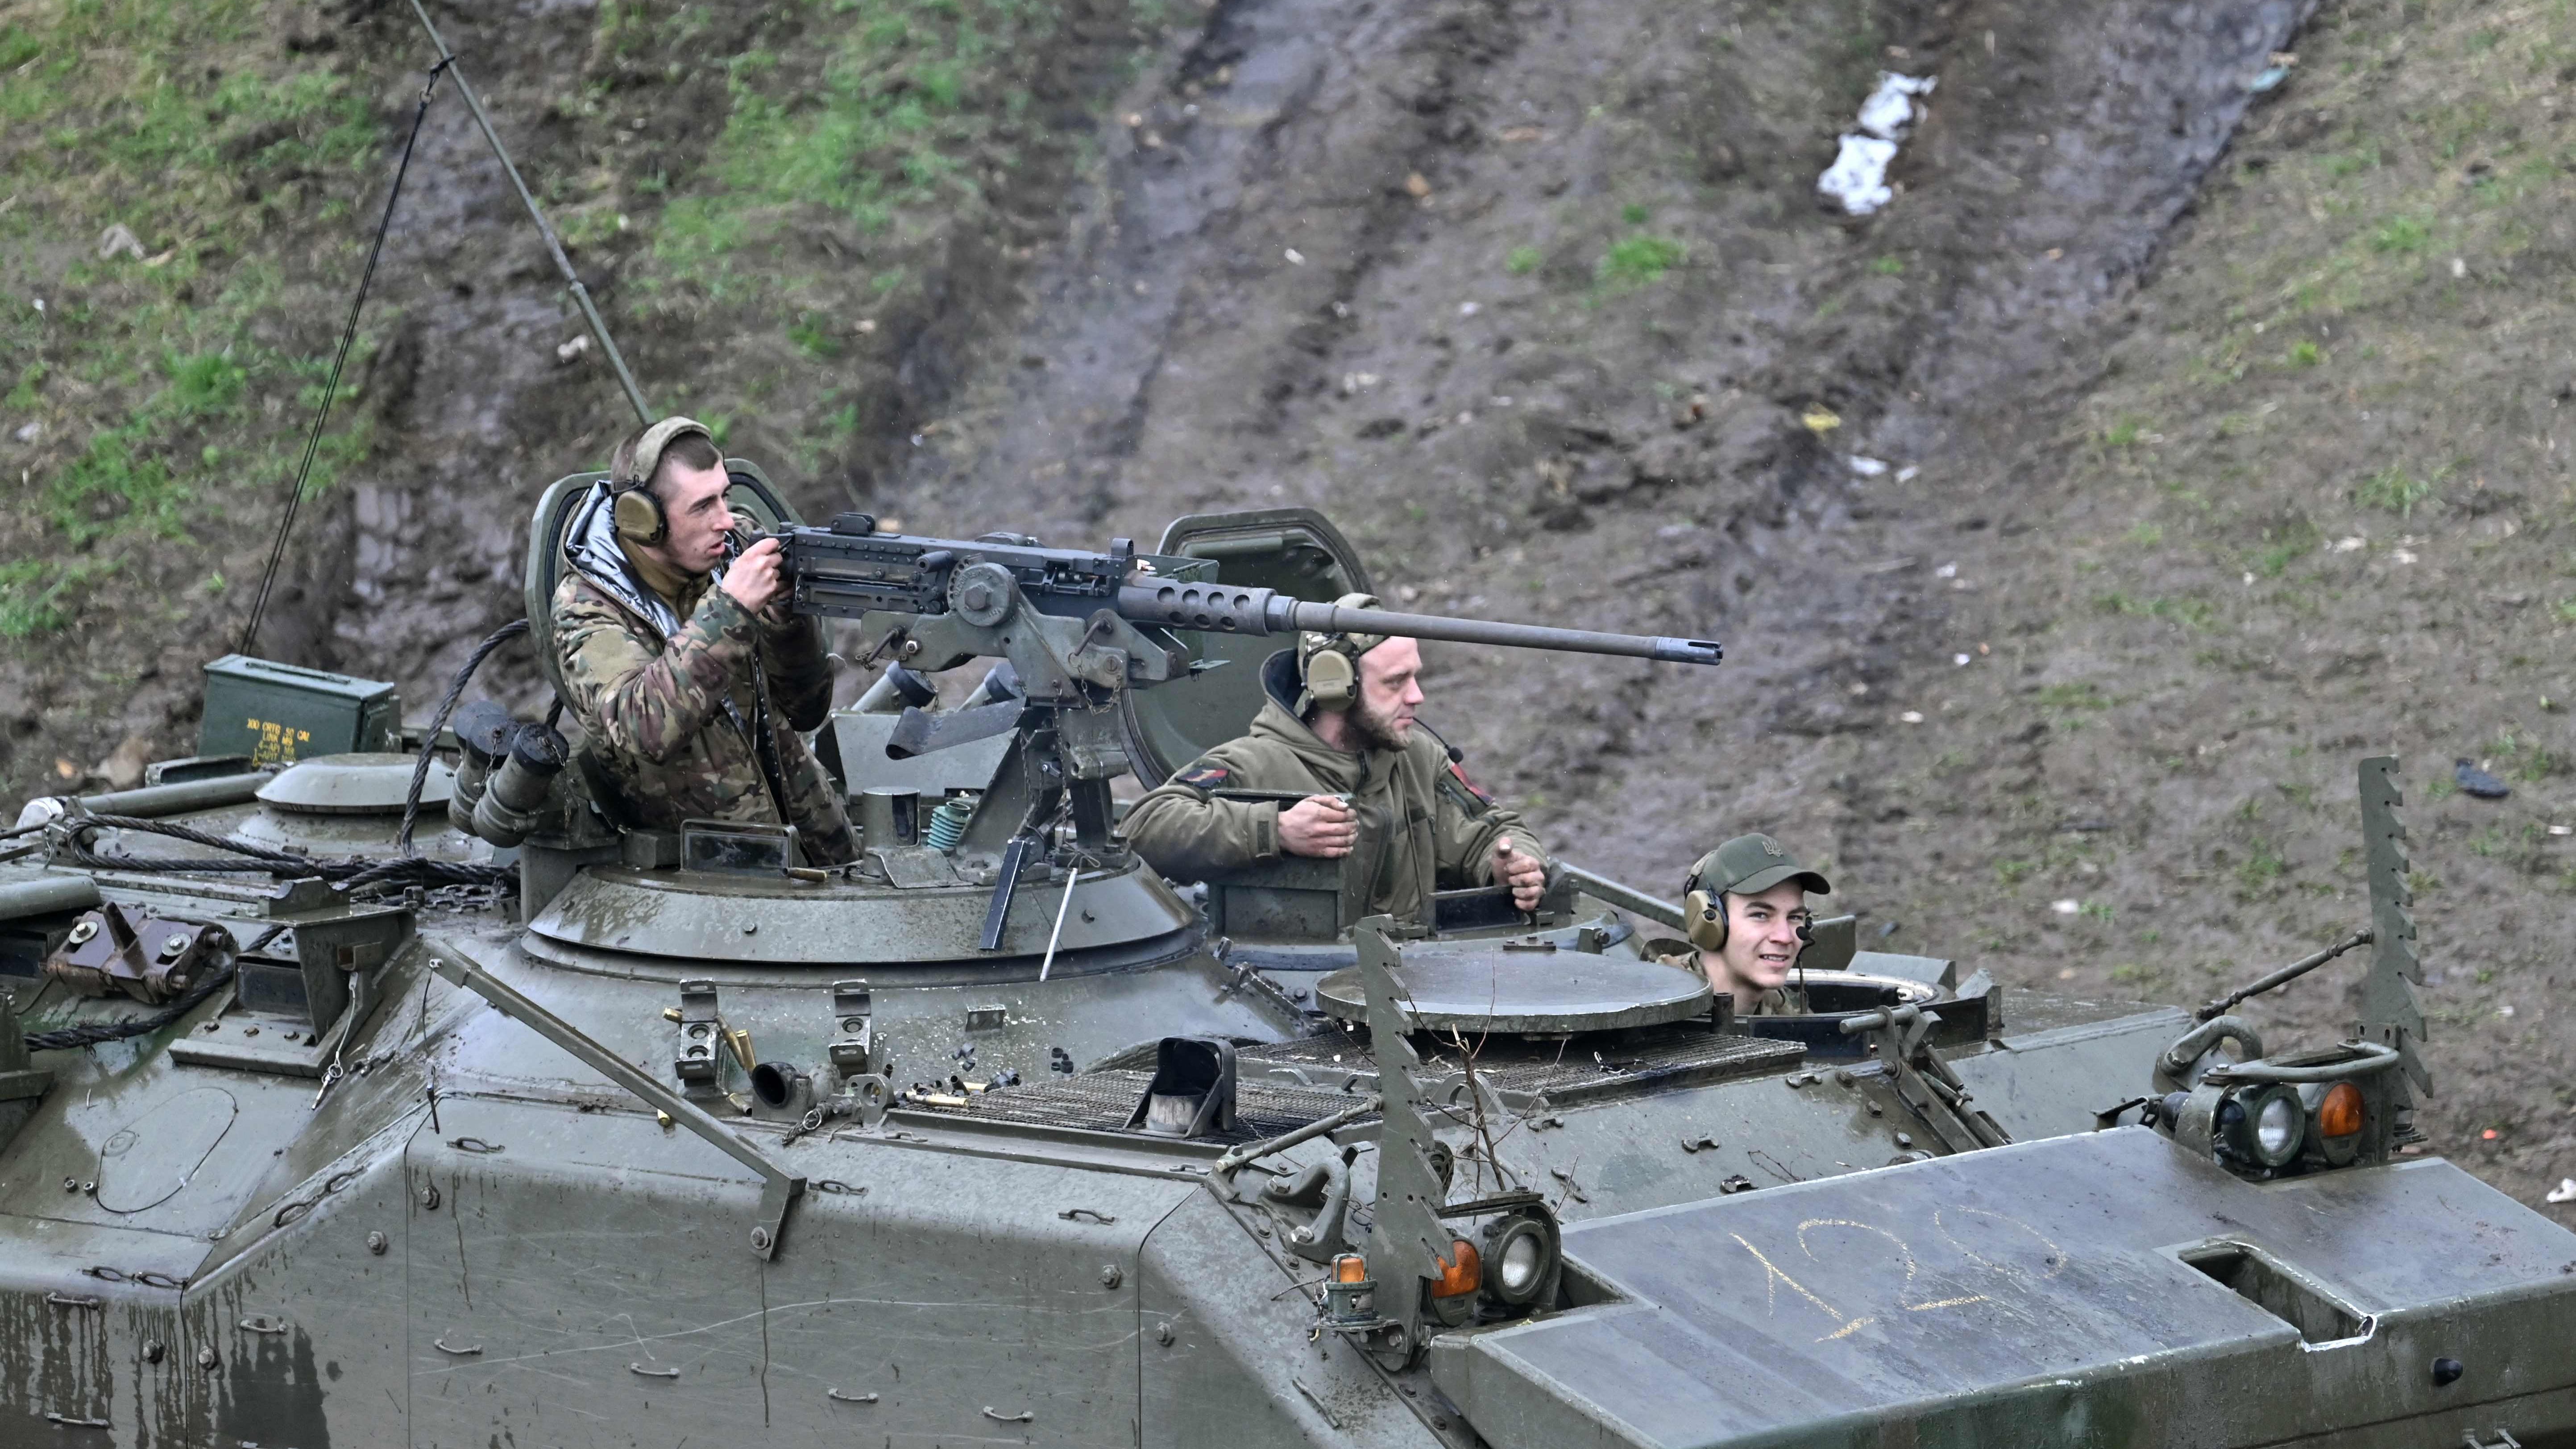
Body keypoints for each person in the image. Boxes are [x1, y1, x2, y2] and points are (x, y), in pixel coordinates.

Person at [1122, 594, 1547, 925]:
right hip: (1298, 999)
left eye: (1415, 677)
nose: (1417, 696)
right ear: (1335, 688)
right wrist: (1276, 830)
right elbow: (1145, 827)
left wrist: (1510, 865)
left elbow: (1493, 830)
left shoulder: (1417, 757)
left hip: (1412, 981)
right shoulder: (1251, 763)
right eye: (1395, 682)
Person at [550, 416, 858, 864]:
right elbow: (643, 728)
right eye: (702, 507)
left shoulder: (732, 546)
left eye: (725, 496)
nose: (725, 520)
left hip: (815, 839)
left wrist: (785, 621)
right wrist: (732, 608)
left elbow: (807, 708)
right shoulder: (587, 604)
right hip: (701, 875)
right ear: (642, 519)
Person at [1653, 833, 1832, 1015]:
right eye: (1760, 915)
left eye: (1795, 917)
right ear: (1711, 921)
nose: (1785, 937)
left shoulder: (1786, 1011)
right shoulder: (1656, 1010)